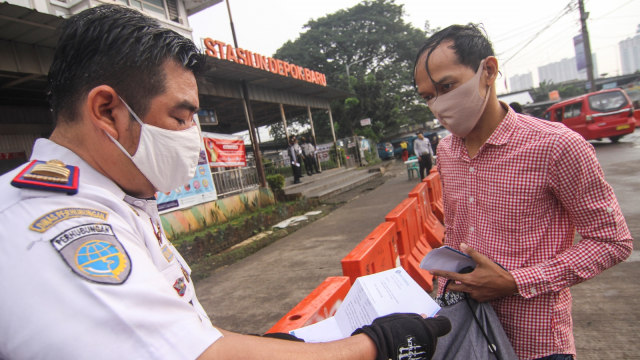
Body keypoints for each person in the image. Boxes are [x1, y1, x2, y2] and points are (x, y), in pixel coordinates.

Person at [0, 6, 452, 359]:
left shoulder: (117, 200)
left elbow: (180, 334)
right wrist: (376, 345)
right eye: (180, 117)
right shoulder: (53, 228)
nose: (195, 142)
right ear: (106, 111)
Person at [413, 24, 632, 360]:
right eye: (428, 96)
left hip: (536, 341)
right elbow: (458, 232)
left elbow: (612, 241)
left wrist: (516, 281)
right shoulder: (446, 152)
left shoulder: (557, 146)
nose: (438, 105)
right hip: (465, 331)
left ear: (488, 70)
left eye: (447, 87)